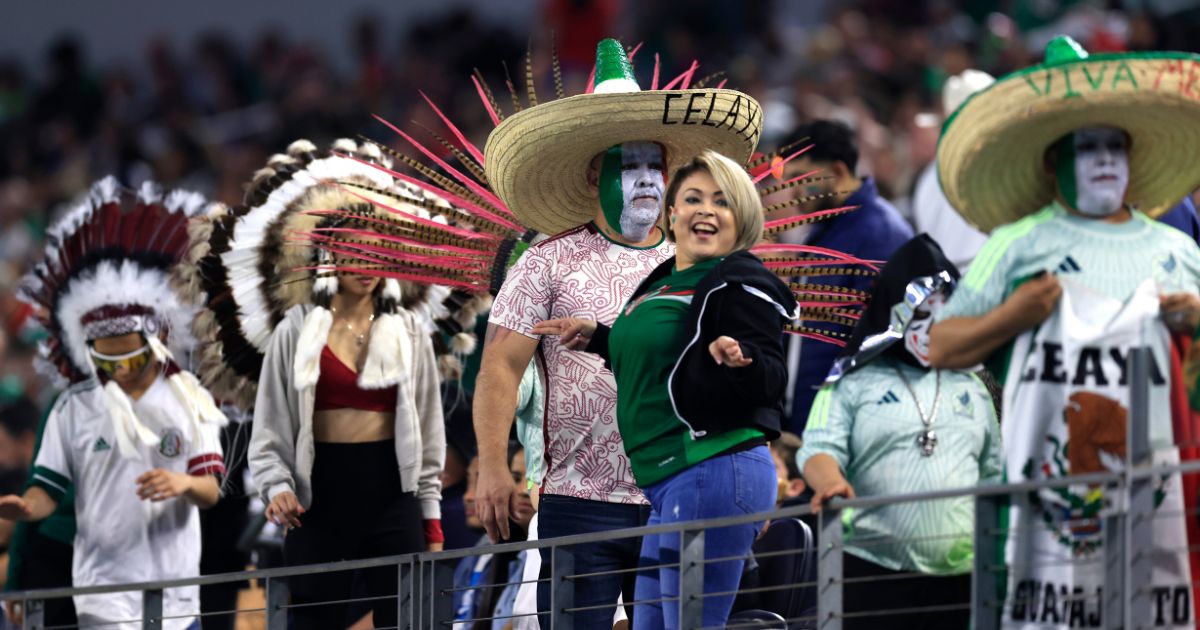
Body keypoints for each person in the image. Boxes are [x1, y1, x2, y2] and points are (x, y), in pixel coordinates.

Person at [473, 39, 763, 626]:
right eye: (629, 165)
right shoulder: (546, 260)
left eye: (655, 164)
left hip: (677, 488)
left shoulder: (695, 262)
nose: (648, 179)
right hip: (579, 502)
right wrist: (492, 467)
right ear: (592, 174)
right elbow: (500, 365)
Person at [929, 37, 1200, 628]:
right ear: (1054, 161)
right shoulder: (1017, 245)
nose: (1105, 158)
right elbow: (940, 347)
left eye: (1115, 145)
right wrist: (1014, 315)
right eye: (1087, 146)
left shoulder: (1177, 252)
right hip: (1040, 518)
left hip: (1161, 507)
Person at [535, 150, 792, 628]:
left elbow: (772, 378)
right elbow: (669, 362)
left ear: (743, 217)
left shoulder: (740, 282)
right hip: (673, 479)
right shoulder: (663, 282)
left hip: (712, 468)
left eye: (722, 202)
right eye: (693, 198)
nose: (706, 210)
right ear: (671, 213)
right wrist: (602, 338)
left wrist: (741, 361)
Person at [226, 140, 447, 630]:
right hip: (317, 500)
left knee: (407, 622)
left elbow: (429, 434)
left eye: (377, 252)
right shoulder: (296, 330)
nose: (367, 265)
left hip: (393, 496)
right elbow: (268, 431)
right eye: (355, 252)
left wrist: (429, 516)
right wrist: (277, 487)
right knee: (311, 622)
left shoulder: (410, 330)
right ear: (329, 253)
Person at [0, 178, 227, 630]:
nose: (120, 368)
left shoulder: (190, 399)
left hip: (177, 594)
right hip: (100, 593)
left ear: (159, 337)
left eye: (131, 355)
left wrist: (182, 484)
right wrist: (28, 507)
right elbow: (48, 488)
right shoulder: (72, 406)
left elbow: (211, 488)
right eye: (107, 356)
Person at [799, 234, 1002, 629]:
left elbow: (993, 472)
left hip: (963, 579)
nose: (933, 329)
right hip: (872, 574)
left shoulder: (973, 386)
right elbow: (817, 448)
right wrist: (829, 483)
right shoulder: (849, 382)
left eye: (945, 316)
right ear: (895, 314)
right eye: (922, 315)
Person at [781, 119, 913, 434]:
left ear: (838, 172)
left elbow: (872, 347)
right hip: (808, 426)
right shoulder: (828, 228)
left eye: (801, 177)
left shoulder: (878, 234)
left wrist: (830, 433)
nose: (792, 190)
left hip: (842, 431)